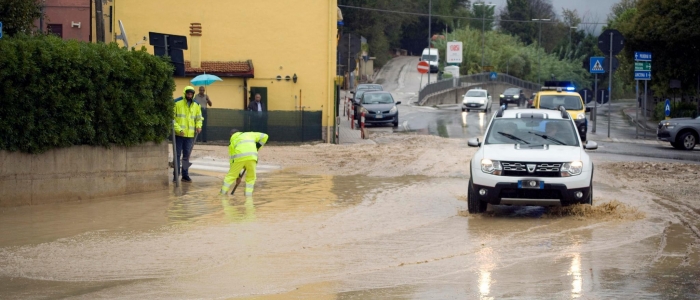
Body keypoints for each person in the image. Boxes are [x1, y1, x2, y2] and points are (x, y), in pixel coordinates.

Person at [220, 129, 269, 196]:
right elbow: (265, 136)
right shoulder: (250, 134)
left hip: (239, 159)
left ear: (231, 135)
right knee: (251, 178)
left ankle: (222, 195)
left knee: (230, 176)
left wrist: (237, 177)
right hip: (252, 157)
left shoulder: (232, 141)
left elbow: (232, 161)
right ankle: (248, 197)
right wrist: (257, 146)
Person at [173, 86, 203, 182]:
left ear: (193, 95)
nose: (189, 95)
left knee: (186, 155)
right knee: (177, 155)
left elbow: (199, 118)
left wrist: (198, 126)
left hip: (190, 135)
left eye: (191, 94)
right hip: (179, 135)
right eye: (188, 93)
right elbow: (172, 119)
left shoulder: (196, 105)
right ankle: (176, 175)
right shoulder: (177, 103)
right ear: (185, 93)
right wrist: (179, 130)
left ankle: (185, 175)